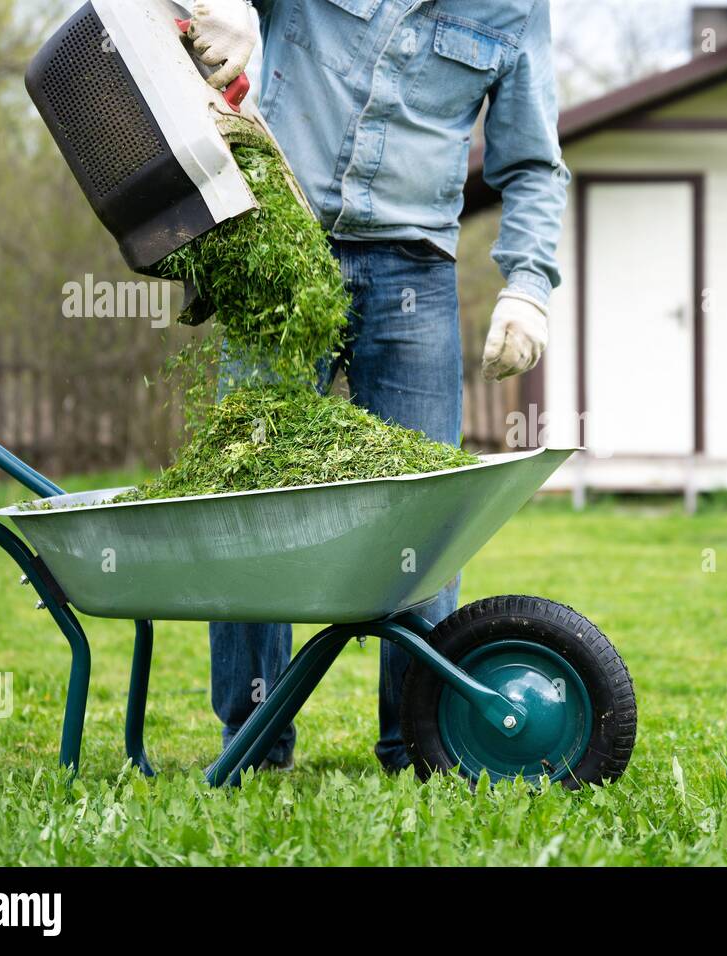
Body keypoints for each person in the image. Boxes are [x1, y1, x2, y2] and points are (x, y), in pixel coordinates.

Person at [188, 0, 568, 772]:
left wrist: (529, 283)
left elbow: (531, 164)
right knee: (247, 501)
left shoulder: (515, 10)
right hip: (279, 244)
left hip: (415, 273)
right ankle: (254, 741)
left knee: (425, 519)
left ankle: (419, 744)